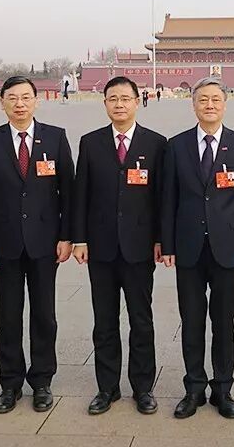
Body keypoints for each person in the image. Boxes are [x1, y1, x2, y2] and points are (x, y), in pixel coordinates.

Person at [0, 76, 74, 414]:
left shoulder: (55, 138)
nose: (20, 103)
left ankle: (42, 381)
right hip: (4, 246)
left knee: (44, 315)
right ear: (1, 102)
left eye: (26, 97)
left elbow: (68, 192)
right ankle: (10, 383)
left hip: (45, 244)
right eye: (13, 98)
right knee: (8, 316)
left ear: (36, 101)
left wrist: (66, 236)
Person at [161, 77, 234, 420]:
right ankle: (193, 389)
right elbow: (168, 199)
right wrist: (168, 243)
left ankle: (223, 389)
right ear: (193, 104)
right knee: (191, 321)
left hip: (227, 247)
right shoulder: (176, 145)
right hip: (188, 247)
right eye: (203, 99)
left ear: (225, 104)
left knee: (223, 322)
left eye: (216, 99)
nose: (210, 105)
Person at [72, 76, 166, 416]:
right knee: (105, 321)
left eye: (126, 98)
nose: (120, 104)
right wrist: (80, 239)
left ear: (137, 102)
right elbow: (80, 194)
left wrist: (160, 239)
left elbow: (161, 197)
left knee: (141, 320)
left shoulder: (156, 143)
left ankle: (143, 388)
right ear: (105, 104)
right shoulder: (91, 142)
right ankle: (107, 388)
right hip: (101, 248)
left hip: (140, 248)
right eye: (113, 99)